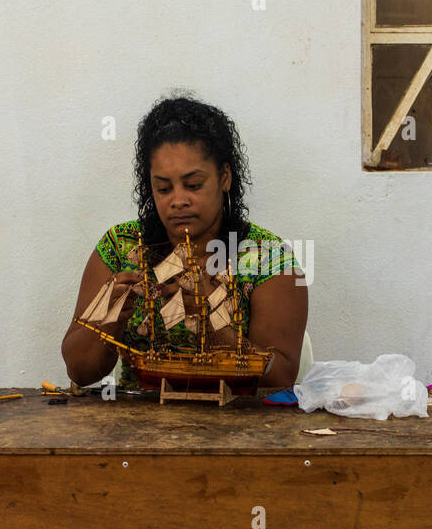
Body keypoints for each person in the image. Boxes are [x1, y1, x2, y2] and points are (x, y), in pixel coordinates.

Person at [62, 95, 308, 390]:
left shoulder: (268, 258)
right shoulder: (121, 248)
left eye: (193, 185)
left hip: (241, 429)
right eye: (163, 188)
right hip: (136, 426)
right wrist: (108, 318)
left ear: (225, 177)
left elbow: (279, 377)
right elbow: (79, 372)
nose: (178, 201)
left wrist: (214, 322)